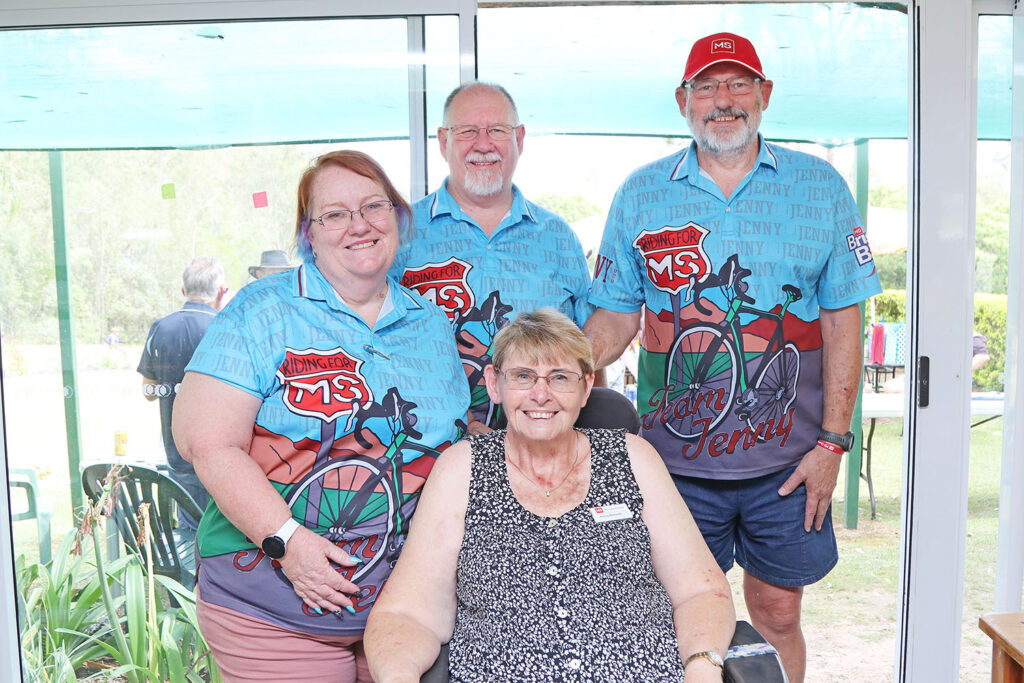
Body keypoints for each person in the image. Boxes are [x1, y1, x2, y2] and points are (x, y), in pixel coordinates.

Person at [582, 32, 881, 683]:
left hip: (792, 460)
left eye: (738, 83)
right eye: (708, 86)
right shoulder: (642, 193)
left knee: (777, 612)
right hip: (672, 465)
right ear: (683, 100)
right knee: (672, 616)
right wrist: (568, 365)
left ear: (764, 95)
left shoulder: (819, 186)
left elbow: (843, 316)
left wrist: (833, 443)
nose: (724, 100)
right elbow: (614, 313)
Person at [172, 150, 469, 683]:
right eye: (335, 214)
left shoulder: (428, 321)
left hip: (403, 617)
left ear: (398, 217)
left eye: (373, 206)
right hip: (274, 611)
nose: (359, 225)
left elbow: (455, 439)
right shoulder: (262, 310)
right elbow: (205, 441)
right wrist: (286, 542)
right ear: (309, 233)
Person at [364, 308, 735, 683]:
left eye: (559, 377)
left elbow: (700, 591)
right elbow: (406, 614)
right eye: (523, 376)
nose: (541, 395)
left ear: (586, 386)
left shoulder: (633, 458)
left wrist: (702, 668)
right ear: (495, 383)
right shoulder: (461, 470)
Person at [390, 82, 593, 435]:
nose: (483, 144)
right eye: (467, 131)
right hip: (425, 449)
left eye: (497, 130)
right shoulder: (398, 234)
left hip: (540, 448)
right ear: (442, 140)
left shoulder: (558, 238)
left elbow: (583, 350)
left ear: (520, 138)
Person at [138, 255, 228, 533]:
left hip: (178, 451)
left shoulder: (161, 328)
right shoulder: (225, 327)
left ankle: (192, 577)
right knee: (225, 533)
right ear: (221, 292)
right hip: (223, 452)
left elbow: (149, 392)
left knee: (191, 531)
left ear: (183, 291)